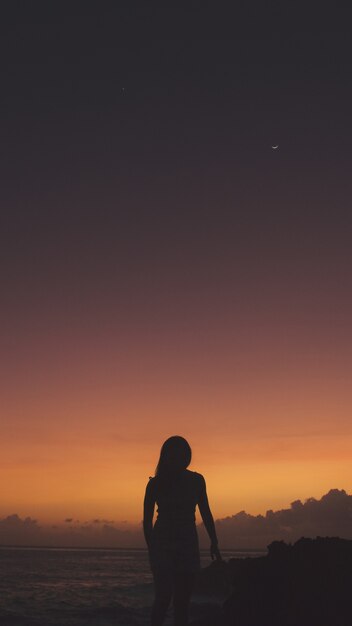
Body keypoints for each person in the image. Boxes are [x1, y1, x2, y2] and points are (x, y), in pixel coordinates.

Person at [143, 435, 221, 626]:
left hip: (187, 544)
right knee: (163, 599)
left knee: (182, 603)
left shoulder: (196, 480)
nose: (178, 458)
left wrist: (214, 541)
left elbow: (206, 513)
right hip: (163, 544)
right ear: (166, 456)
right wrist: (152, 549)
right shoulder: (155, 483)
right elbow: (146, 521)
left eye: (182, 454)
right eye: (174, 454)